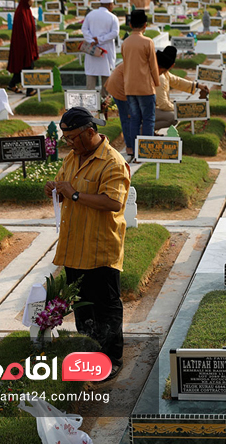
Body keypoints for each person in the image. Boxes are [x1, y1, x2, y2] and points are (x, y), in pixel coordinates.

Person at [44, 107, 131, 383]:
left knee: (106, 306)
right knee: (82, 305)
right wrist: (54, 187)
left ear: (90, 133)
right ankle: (90, 353)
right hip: (74, 246)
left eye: (71, 138)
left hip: (100, 248)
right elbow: (63, 184)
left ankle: (111, 358)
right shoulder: (72, 158)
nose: (67, 144)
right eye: (65, 139)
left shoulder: (112, 163)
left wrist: (77, 194)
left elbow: (114, 202)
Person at [121, 10, 159, 151]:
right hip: (145, 87)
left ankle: (135, 150)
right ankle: (146, 151)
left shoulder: (125, 43)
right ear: (145, 25)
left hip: (130, 87)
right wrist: (157, 82)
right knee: (148, 119)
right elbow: (153, 66)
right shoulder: (147, 42)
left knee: (135, 119)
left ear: (130, 25)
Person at [154, 46, 209, 131]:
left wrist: (197, 85)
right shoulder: (160, 77)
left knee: (173, 109)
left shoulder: (164, 73)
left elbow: (177, 81)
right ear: (172, 65)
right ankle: (145, 130)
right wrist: (180, 109)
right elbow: (163, 104)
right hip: (148, 109)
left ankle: (150, 131)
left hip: (150, 107)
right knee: (174, 117)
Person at [82, 0, 120, 92]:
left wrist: (92, 40)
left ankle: (89, 104)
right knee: (106, 78)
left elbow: (84, 29)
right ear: (110, 4)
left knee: (91, 76)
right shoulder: (112, 17)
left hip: (92, 49)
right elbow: (115, 33)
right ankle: (105, 103)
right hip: (106, 51)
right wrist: (100, 39)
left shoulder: (90, 15)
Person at [7, 0, 39, 97]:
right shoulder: (20, 12)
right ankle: (30, 90)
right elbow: (21, 32)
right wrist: (27, 47)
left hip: (28, 44)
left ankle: (12, 84)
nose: (33, 1)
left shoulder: (27, 11)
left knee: (23, 67)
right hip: (23, 45)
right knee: (28, 66)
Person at [104, 62, 134, 157]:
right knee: (127, 117)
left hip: (119, 85)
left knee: (129, 117)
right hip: (120, 88)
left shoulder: (134, 59)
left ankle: (131, 145)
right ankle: (130, 146)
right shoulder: (137, 62)